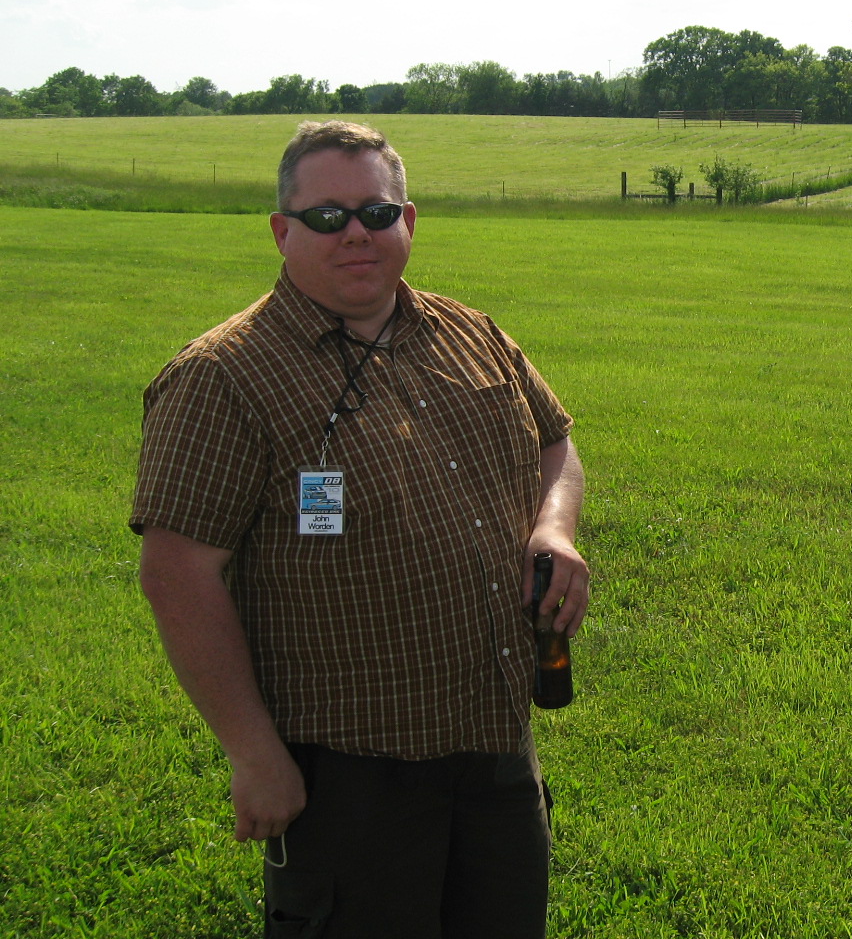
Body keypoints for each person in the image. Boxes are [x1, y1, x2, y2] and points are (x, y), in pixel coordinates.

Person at [133, 120, 587, 939]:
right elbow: (177, 574)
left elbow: (556, 442)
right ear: (282, 231)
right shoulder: (222, 377)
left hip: (493, 742)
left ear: (407, 221)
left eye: (376, 214)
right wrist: (253, 753)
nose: (355, 234)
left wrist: (553, 529)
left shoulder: (471, 334)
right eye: (326, 216)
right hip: (347, 773)